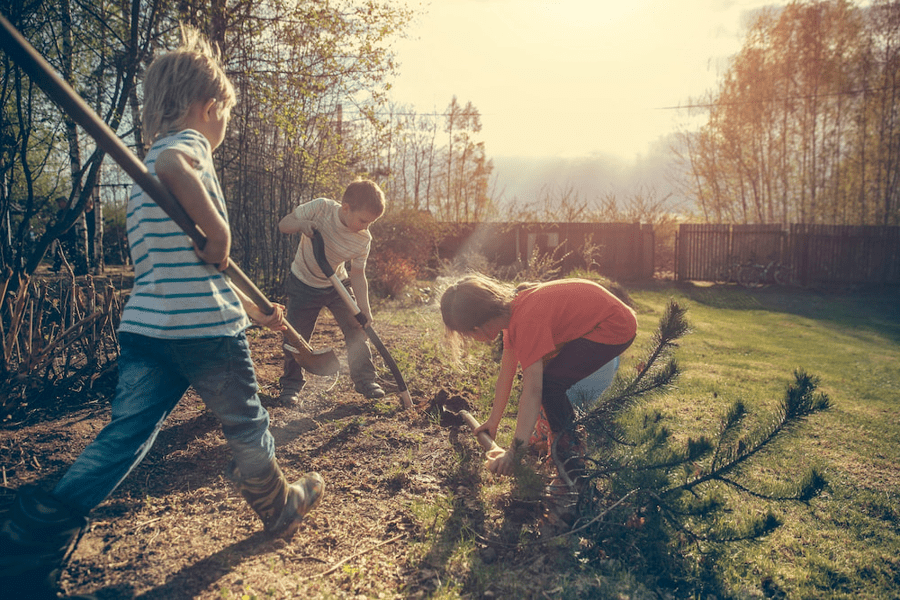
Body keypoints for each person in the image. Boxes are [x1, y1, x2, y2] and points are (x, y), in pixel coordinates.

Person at [0, 26, 324, 599]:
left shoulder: (146, 166)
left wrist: (258, 311)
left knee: (127, 434)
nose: (223, 127)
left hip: (151, 328)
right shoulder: (184, 149)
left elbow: (196, 270)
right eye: (224, 114)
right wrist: (219, 226)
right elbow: (182, 171)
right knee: (246, 422)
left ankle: (29, 535)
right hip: (204, 331)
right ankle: (277, 506)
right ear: (208, 107)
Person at [439, 274, 638, 488]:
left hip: (615, 325)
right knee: (549, 381)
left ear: (478, 328)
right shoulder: (511, 315)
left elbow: (533, 390)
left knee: (550, 386)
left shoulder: (526, 321)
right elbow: (506, 373)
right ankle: (561, 450)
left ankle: (571, 468)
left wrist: (514, 452)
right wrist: (493, 421)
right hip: (604, 319)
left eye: (467, 335)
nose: (469, 340)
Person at [276, 179, 386, 404]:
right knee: (295, 336)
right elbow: (283, 224)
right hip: (303, 283)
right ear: (346, 208)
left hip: (337, 285)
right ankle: (291, 385)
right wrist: (301, 224)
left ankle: (365, 379)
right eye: (363, 220)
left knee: (356, 329)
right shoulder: (321, 208)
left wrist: (363, 309)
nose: (366, 226)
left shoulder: (363, 239)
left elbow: (357, 274)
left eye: (371, 222)